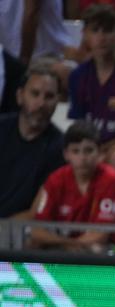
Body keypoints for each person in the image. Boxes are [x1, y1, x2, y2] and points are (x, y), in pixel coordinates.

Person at [68, 3, 115, 179]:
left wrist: (101, 151)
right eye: (95, 31)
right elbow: (77, 124)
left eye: (108, 30)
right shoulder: (77, 76)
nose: (101, 38)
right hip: (89, 146)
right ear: (85, 35)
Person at [28, 121, 115, 252]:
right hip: (65, 245)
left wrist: (69, 245)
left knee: (95, 248)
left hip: (108, 247)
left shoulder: (111, 179)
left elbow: (100, 236)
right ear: (66, 154)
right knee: (31, 244)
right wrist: (67, 244)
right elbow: (36, 231)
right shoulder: (55, 179)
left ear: (100, 152)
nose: (82, 158)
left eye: (89, 150)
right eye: (75, 151)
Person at [0, 61, 64, 220]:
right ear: (20, 96)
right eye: (35, 94)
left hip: (20, 234)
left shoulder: (60, 148)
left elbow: (38, 211)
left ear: (57, 101)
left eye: (49, 96)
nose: (41, 103)